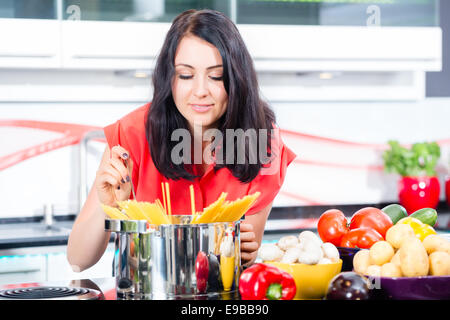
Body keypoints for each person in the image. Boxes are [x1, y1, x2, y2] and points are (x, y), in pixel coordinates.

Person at [67, 9, 296, 272]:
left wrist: (247, 251)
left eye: (216, 76)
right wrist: (107, 207)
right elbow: (77, 260)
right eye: (186, 75)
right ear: (170, 78)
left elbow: (235, 262)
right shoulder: (130, 135)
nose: (200, 91)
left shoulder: (262, 143)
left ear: (237, 79)